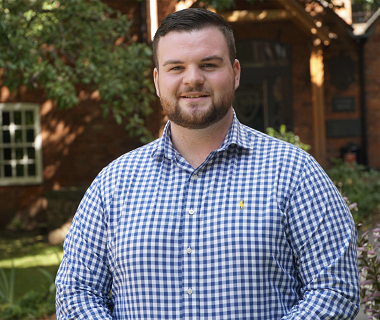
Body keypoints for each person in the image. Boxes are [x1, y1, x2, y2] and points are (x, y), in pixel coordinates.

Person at [55, 8, 360, 319]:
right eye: (176, 67)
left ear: (236, 72)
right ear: (158, 81)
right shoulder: (113, 184)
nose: (193, 79)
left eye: (209, 65)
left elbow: (334, 290)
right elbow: (77, 291)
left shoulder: (295, 173)